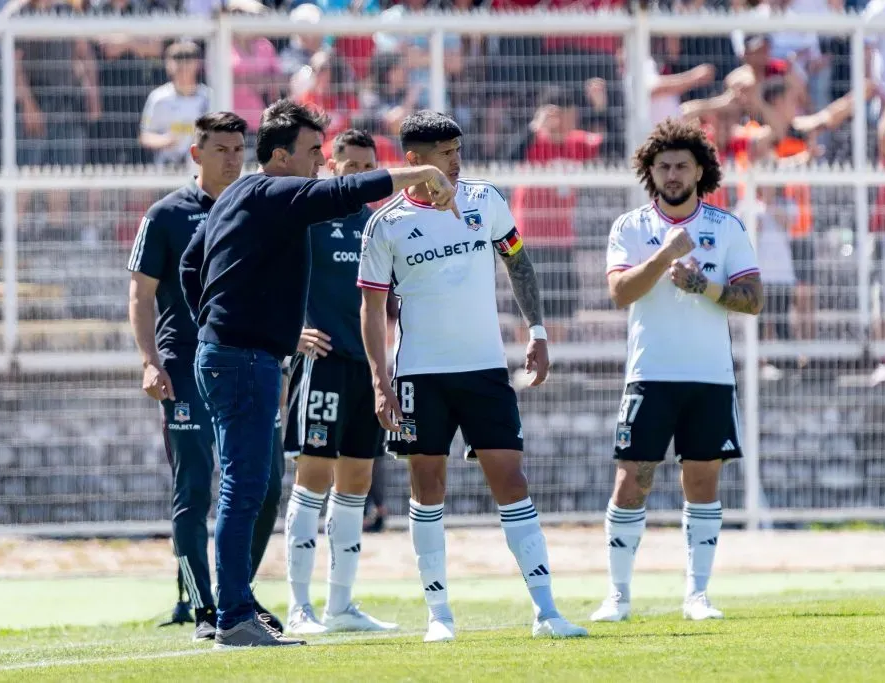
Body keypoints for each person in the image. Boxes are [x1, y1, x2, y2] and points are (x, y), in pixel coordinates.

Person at [178, 99, 458, 649]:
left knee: (249, 485)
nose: (319, 162)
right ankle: (232, 612)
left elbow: (191, 261)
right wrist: (418, 172)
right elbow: (345, 192)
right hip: (244, 359)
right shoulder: (275, 190)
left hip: (231, 355)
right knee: (245, 487)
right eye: (312, 151)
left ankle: (235, 603)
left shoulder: (237, 195)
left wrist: (211, 322)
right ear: (280, 156)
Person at [358, 110, 588, 643]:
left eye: (458, 150)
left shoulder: (486, 200)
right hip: (421, 375)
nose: (456, 161)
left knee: (511, 481)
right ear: (414, 161)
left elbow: (518, 263)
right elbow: (371, 308)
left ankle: (547, 611)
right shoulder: (386, 222)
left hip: (486, 371)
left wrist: (538, 331)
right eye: (445, 154)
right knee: (427, 487)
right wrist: (379, 376)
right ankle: (439, 616)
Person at [595, 119, 763, 624]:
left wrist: (702, 287)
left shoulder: (727, 227)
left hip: (709, 379)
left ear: (699, 171)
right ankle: (618, 596)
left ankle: (697, 595)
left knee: (702, 483)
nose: (671, 174)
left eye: (681, 166)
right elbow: (620, 293)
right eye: (663, 166)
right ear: (650, 171)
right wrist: (666, 255)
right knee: (632, 481)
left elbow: (753, 300)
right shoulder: (630, 227)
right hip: (649, 375)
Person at [127, 112, 285, 641]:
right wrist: (150, 361)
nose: (233, 158)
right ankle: (202, 609)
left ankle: (237, 591)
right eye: (221, 149)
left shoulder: (254, 208)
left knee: (264, 486)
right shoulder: (166, 214)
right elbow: (141, 295)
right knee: (195, 489)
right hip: (184, 367)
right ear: (196, 154)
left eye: (240, 148)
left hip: (248, 363)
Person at [281, 129, 399, 635]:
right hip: (322, 365)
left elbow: (390, 304)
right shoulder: (308, 217)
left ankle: (341, 606)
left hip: (366, 368)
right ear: (331, 166)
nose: (358, 174)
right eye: (349, 166)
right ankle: (298, 607)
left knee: (356, 485)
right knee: (312, 481)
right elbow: (270, 279)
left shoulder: (379, 225)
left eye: (367, 166)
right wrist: (291, 333)